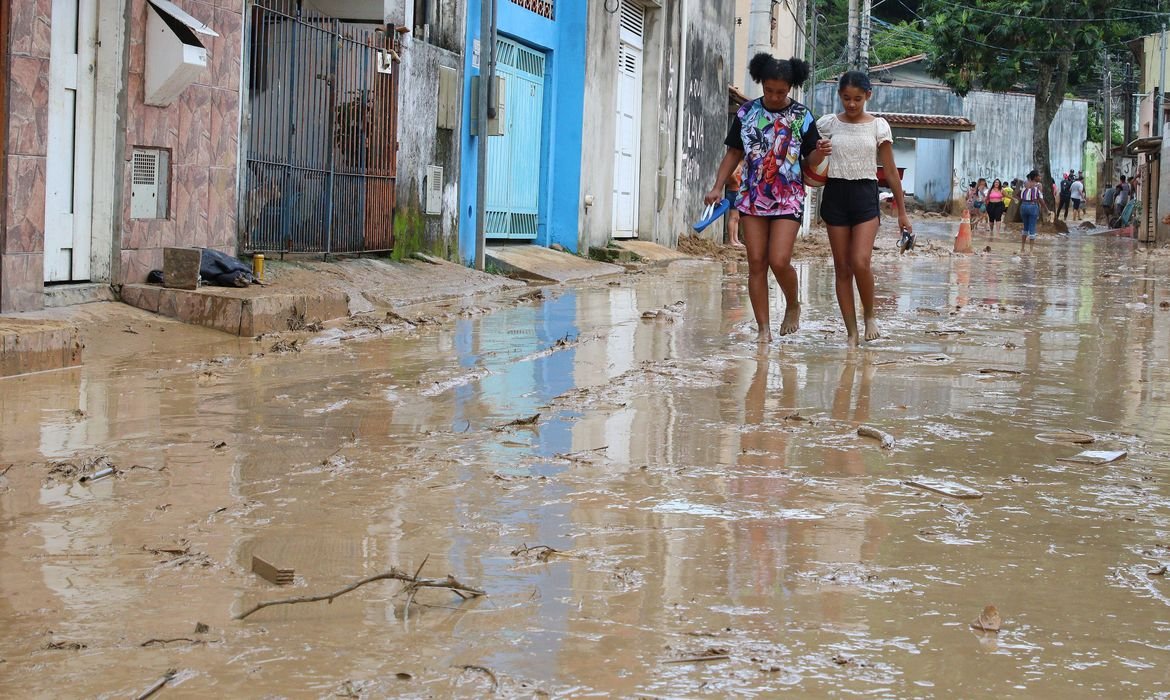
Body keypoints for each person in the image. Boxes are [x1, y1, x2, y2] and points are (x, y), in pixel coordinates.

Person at [706, 53, 826, 343]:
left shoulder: (802, 116)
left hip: (789, 197)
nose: (773, 97)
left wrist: (820, 152)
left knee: (779, 260)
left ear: (790, 88)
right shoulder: (746, 113)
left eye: (780, 92)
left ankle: (793, 304)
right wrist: (718, 186)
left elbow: (810, 159)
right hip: (751, 197)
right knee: (757, 262)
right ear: (761, 83)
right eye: (769, 90)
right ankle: (763, 329)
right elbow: (734, 153)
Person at [816, 71, 911, 345]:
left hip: (865, 195)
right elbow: (810, 160)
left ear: (868, 95)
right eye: (846, 98)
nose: (852, 104)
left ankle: (869, 315)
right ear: (839, 95)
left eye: (857, 98)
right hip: (835, 194)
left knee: (860, 261)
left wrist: (902, 212)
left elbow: (890, 171)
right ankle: (851, 332)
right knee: (842, 268)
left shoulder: (878, 126)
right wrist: (818, 150)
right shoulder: (827, 124)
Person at [1018, 169, 1048, 254]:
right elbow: (1041, 199)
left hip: (1023, 206)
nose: (1040, 177)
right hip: (1033, 206)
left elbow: (1018, 194)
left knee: (1025, 227)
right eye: (1039, 176)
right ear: (1035, 177)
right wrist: (1047, 210)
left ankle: (1022, 249)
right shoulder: (1038, 185)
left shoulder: (1024, 184)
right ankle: (1031, 251)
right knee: (1032, 228)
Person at [725, 162, 745, 248]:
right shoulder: (737, 165)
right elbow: (732, 175)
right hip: (733, 192)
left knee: (737, 218)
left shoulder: (740, 166)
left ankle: (735, 239)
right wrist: (737, 182)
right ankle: (731, 240)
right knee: (733, 217)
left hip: (737, 192)